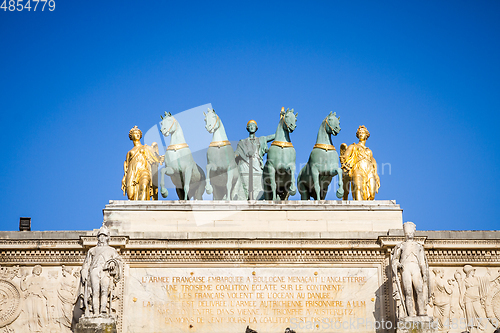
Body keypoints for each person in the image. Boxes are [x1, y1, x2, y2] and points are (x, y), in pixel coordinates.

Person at [80, 225, 122, 317]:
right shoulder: (92, 250)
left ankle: (103, 310)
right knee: (95, 291)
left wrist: (113, 264)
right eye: (100, 236)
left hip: (105, 271)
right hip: (94, 270)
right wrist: (83, 271)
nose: (102, 238)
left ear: (107, 237)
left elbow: (118, 261)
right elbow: (87, 263)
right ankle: (95, 312)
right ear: (98, 237)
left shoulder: (112, 250)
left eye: (104, 236)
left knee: (104, 291)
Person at [391, 222, 430, 317]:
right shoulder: (401, 245)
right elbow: (395, 260)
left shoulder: (419, 246)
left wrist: (424, 273)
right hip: (405, 268)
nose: (409, 234)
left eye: (411, 232)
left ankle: (421, 311)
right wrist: (398, 264)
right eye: (408, 233)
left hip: (416, 267)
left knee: (419, 289)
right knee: (408, 291)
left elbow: (422, 262)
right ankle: (410, 314)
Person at [235, 120, 274, 200]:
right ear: (247, 128)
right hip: (245, 166)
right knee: (244, 186)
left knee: (259, 185)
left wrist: (282, 122)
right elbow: (237, 153)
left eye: (253, 125)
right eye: (250, 125)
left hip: (257, 165)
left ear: (256, 128)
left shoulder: (261, 139)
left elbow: (274, 136)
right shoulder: (242, 142)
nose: (252, 127)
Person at [121, 126, 162, 200]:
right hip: (132, 173)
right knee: (131, 196)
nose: (137, 134)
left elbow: (156, 158)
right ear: (131, 136)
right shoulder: (129, 152)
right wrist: (124, 178)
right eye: (135, 133)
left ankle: (143, 208)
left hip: (144, 171)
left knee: (144, 186)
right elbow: (126, 167)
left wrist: (161, 158)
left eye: (138, 133)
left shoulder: (146, 147)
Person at [340, 125, 380, 200]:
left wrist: (376, 173)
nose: (361, 134)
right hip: (357, 170)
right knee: (358, 189)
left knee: (372, 194)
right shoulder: (353, 146)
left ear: (366, 135)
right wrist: (344, 164)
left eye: (363, 132)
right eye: (360, 133)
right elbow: (344, 157)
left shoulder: (369, 150)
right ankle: (358, 209)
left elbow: (373, 161)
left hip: (369, 171)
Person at [21, 265, 48, 332]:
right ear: (34, 270)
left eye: (40, 269)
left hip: (38, 297)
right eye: (37, 269)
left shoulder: (42, 279)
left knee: (39, 313)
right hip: (30, 297)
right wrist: (22, 280)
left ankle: (44, 328)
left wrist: (48, 298)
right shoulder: (30, 279)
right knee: (30, 313)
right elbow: (24, 288)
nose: (38, 270)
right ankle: (32, 329)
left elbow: (44, 290)